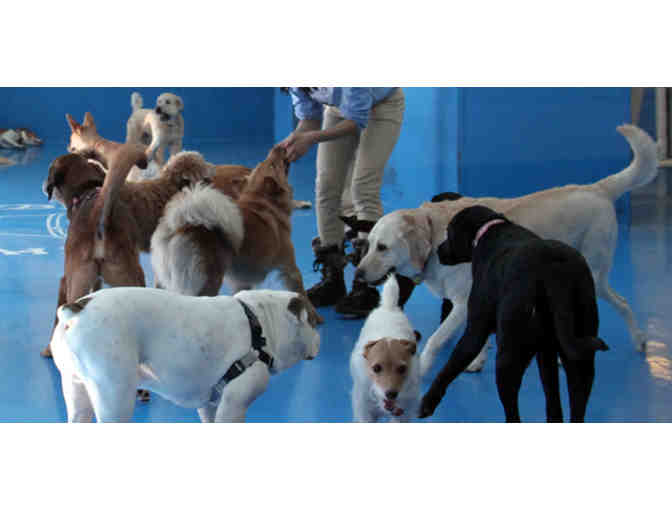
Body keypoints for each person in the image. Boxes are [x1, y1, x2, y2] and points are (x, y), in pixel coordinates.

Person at [277, 87, 413, 317]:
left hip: (382, 107)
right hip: (338, 110)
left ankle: (366, 285)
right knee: (326, 186)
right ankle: (333, 279)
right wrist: (295, 138)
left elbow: (355, 121)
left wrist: (309, 139)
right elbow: (309, 118)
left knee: (363, 187)